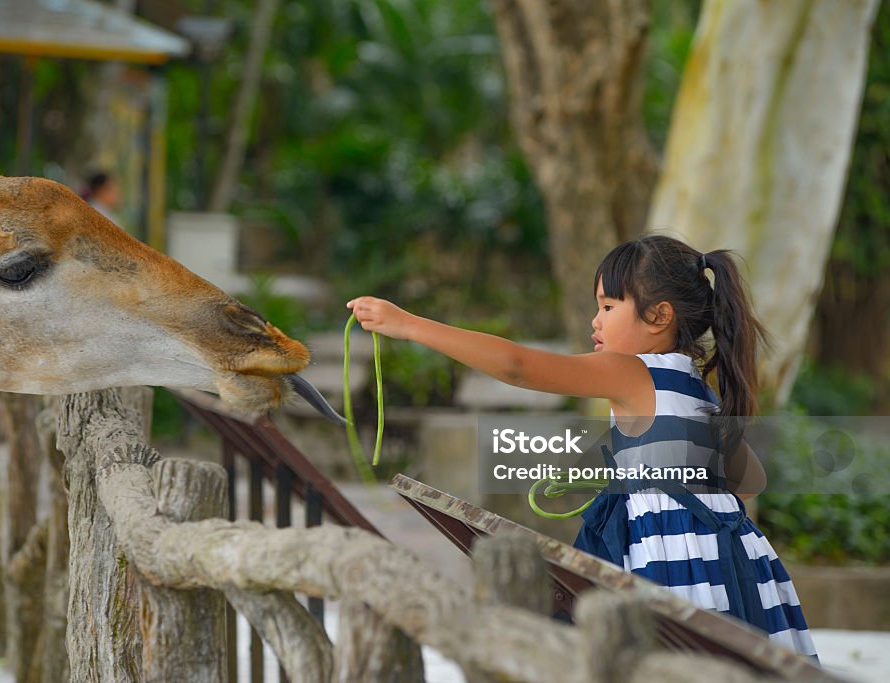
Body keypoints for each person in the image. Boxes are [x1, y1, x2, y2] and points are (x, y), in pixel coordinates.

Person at [347, 234, 817, 659]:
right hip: (730, 567)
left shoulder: (631, 371)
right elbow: (750, 483)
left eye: (609, 307)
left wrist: (408, 325)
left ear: (660, 316)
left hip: (672, 567)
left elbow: (518, 367)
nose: (596, 321)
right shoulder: (697, 390)